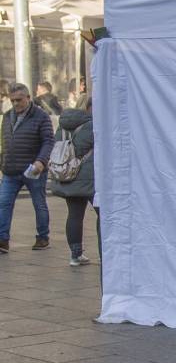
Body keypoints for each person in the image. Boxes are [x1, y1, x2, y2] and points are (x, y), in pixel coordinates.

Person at [0, 83, 54, 253]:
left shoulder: (41, 116)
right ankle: (2, 240)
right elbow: (5, 142)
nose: (16, 104)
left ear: (28, 98)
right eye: (13, 100)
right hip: (11, 170)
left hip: (34, 169)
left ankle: (42, 237)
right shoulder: (8, 116)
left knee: (39, 204)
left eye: (19, 100)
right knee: (3, 204)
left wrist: (41, 161)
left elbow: (48, 141)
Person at [48, 95, 99, 266]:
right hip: (89, 178)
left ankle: (75, 255)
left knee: (75, 216)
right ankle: (104, 252)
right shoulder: (92, 125)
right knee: (103, 215)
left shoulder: (62, 125)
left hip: (69, 175)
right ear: (89, 107)